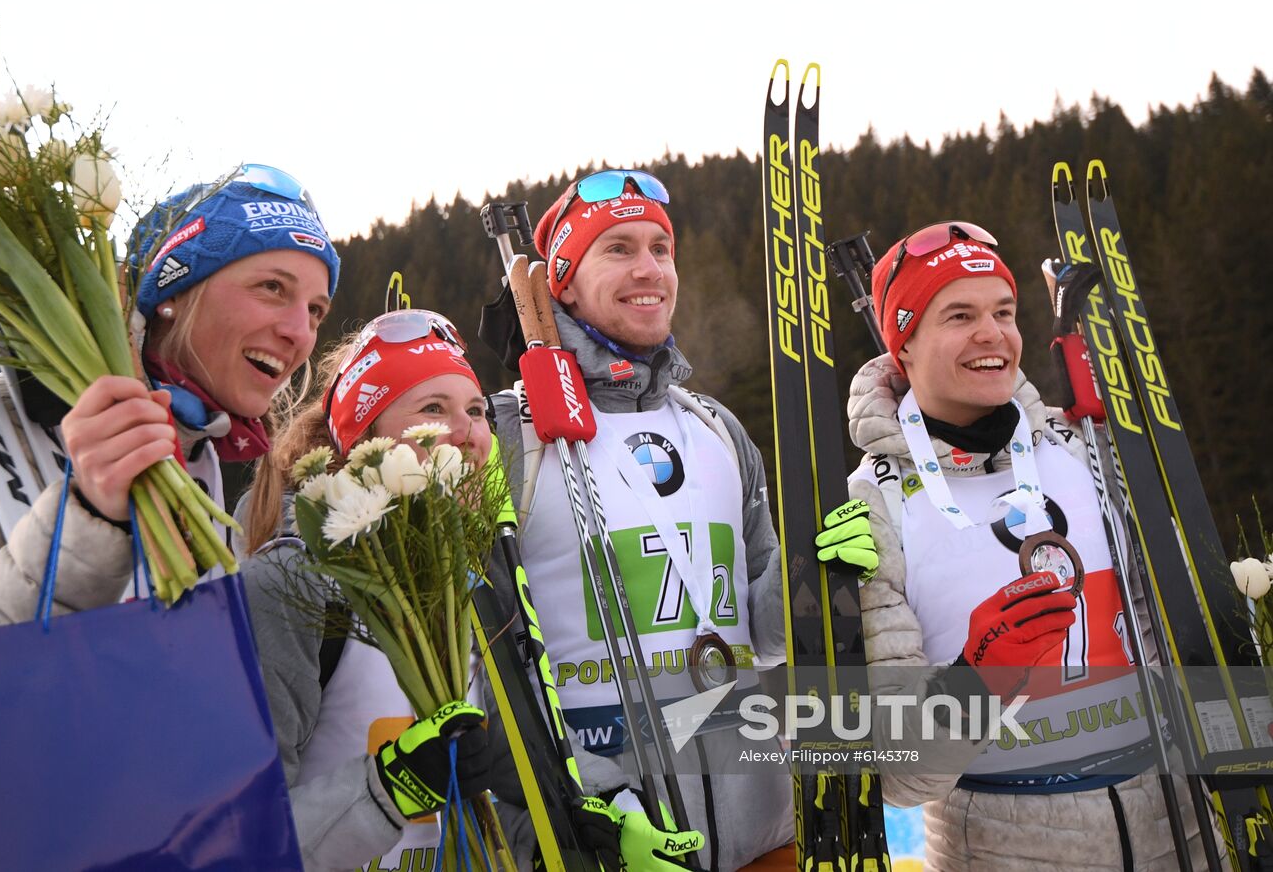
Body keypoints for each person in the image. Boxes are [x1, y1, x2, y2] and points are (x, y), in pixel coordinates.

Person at [0, 165, 340, 869]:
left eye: (316, 310)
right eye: (272, 287)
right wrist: (88, 517)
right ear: (174, 294)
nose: (298, 331)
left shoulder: (204, 466)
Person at [827, 220, 1213, 869]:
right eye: (959, 315)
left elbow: (1189, 639)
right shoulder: (872, 509)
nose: (992, 333)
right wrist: (977, 682)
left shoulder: (1090, 452)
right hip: (1005, 845)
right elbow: (900, 780)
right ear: (904, 346)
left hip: (1180, 831)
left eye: (1003, 312)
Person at [486, 169, 792, 871]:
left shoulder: (716, 429)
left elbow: (770, 633)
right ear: (561, 280)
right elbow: (487, 671)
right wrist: (577, 816)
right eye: (618, 249)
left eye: (661, 247)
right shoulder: (511, 435)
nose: (649, 268)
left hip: (762, 832)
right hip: (612, 838)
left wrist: (821, 570)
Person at [238, 310, 502, 871]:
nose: (466, 432)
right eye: (432, 409)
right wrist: (391, 790)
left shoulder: (469, 585)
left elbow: (487, 801)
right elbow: (241, 841)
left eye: (476, 411)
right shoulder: (292, 585)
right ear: (366, 442)